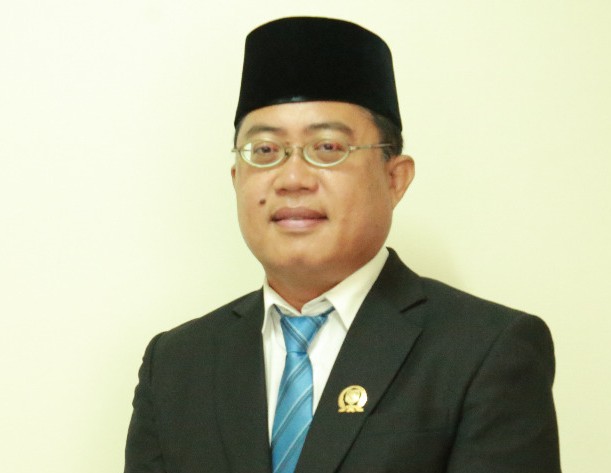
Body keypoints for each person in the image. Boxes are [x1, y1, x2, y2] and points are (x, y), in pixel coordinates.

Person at [124, 17, 561, 473]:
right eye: (265, 151)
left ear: (395, 178)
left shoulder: (485, 350)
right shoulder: (176, 364)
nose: (292, 179)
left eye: (328, 148)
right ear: (237, 179)